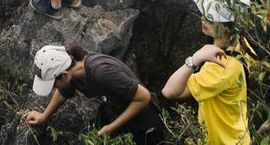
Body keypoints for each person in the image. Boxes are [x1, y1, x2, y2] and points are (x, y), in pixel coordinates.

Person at [162, 0, 252, 145]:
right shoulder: (242, 47)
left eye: (210, 17)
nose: (203, 19)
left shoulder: (220, 66)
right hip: (238, 137)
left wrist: (195, 58)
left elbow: (169, 91)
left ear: (226, 27)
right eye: (204, 13)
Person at [25, 44, 165, 145]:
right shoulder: (72, 72)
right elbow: (63, 93)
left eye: (53, 84)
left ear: (64, 75)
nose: (53, 89)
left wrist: (111, 128)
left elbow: (144, 97)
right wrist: (43, 116)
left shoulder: (102, 72)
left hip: (143, 124)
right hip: (113, 113)